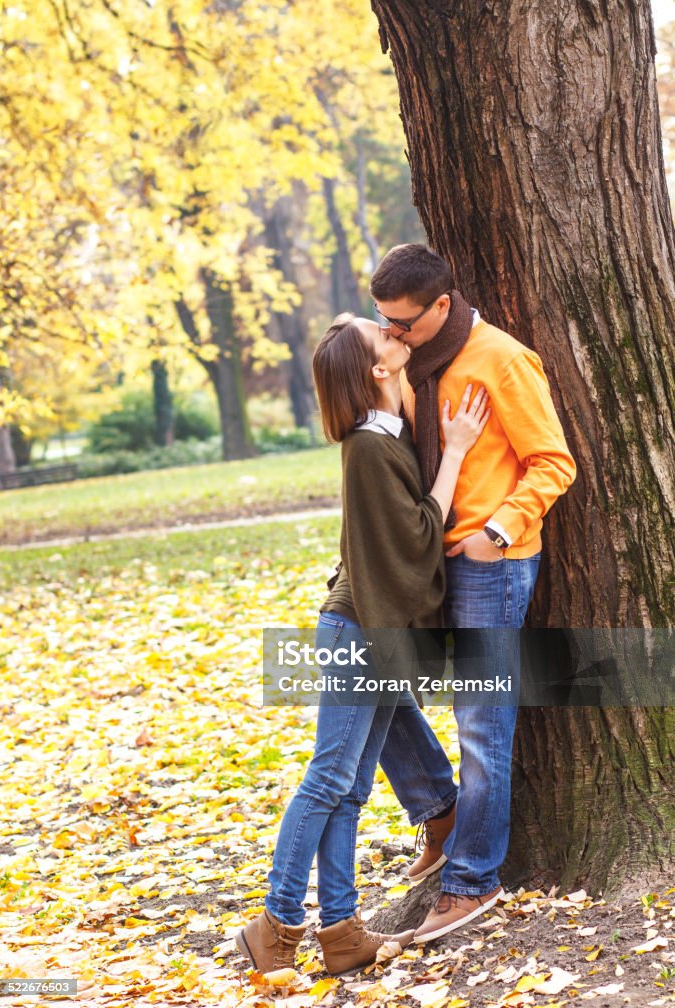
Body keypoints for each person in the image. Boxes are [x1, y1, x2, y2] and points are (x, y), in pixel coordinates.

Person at [236, 312, 490, 976]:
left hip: (373, 628)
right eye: (385, 338)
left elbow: (400, 531)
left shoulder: (385, 432)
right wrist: (459, 449)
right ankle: (276, 924)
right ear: (378, 369)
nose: (395, 334)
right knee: (327, 780)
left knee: (348, 791)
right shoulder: (371, 447)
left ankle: (343, 932)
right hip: (359, 629)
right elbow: (415, 536)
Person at [370, 243, 577, 943]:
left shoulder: (503, 359)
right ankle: (440, 811)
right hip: (419, 561)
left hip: (490, 562)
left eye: (404, 321)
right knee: (370, 681)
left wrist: (497, 529)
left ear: (441, 304)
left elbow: (554, 462)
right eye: (385, 321)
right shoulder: (405, 362)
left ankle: (470, 881)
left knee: (482, 724)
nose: (393, 332)